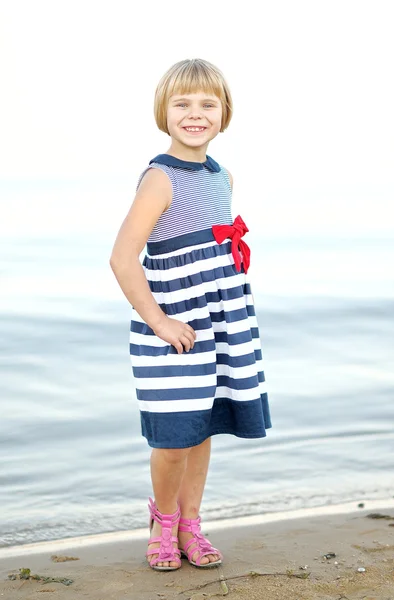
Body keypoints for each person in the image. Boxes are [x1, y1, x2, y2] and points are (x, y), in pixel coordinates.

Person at [109, 58, 272, 571]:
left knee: (203, 429)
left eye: (208, 104)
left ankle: (191, 523)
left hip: (221, 324)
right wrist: (159, 322)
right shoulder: (160, 178)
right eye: (183, 103)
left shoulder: (222, 176)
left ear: (224, 114)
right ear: (164, 112)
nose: (195, 114)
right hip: (173, 326)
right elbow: (122, 256)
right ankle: (162, 520)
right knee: (175, 436)